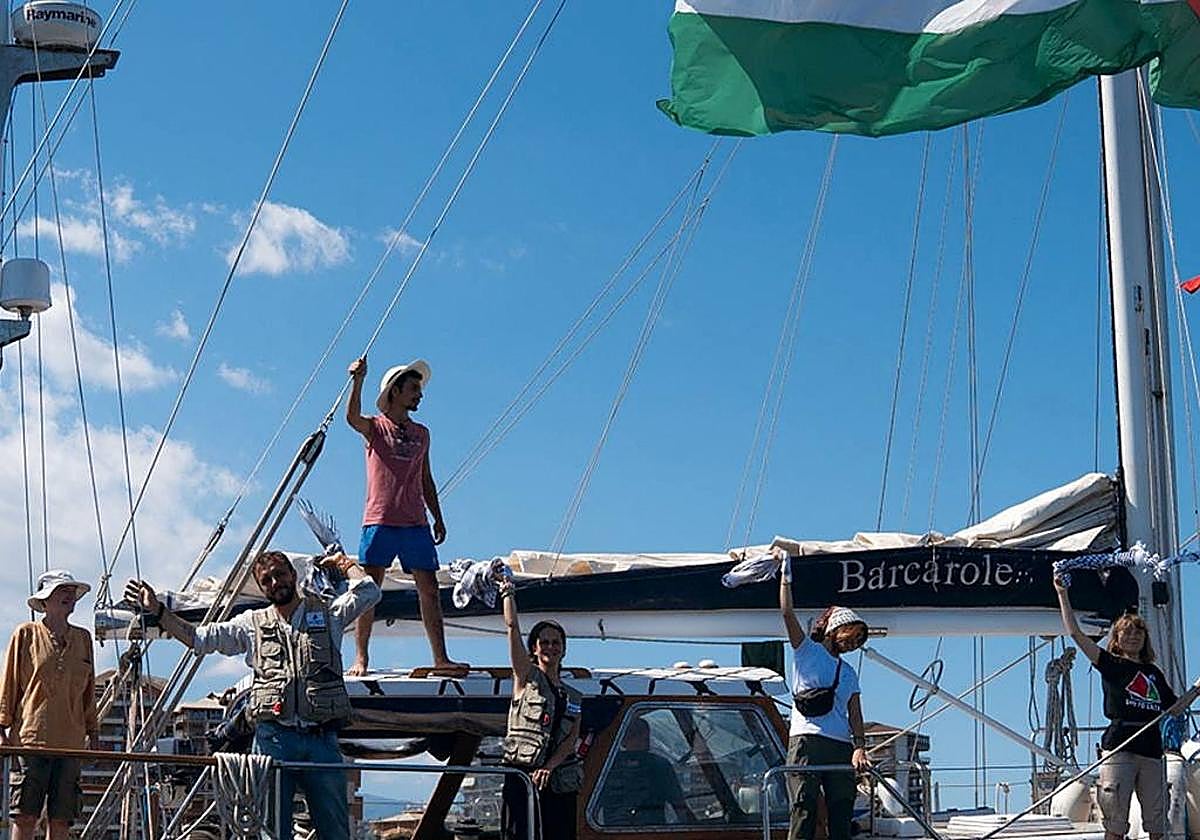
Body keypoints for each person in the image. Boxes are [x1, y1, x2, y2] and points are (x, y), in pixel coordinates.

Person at [125, 550, 380, 840]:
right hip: (274, 740)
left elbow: (369, 591)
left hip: (321, 739)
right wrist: (159, 611)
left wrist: (345, 565)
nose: (275, 582)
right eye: (267, 580)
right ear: (262, 588)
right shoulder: (250, 625)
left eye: (280, 575)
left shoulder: (328, 613)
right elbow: (198, 639)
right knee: (272, 831)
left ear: (293, 576)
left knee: (335, 831)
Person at [345, 356, 467, 676]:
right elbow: (351, 417)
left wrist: (438, 516)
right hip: (380, 519)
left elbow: (426, 477)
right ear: (395, 392)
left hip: (415, 522)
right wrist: (358, 380)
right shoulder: (375, 427)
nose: (419, 395)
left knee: (429, 590)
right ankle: (361, 657)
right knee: (369, 591)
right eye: (413, 389)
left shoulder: (422, 434)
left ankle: (441, 658)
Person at [1054, 575, 1180, 840]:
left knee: (1158, 823)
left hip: (1151, 749)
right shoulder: (1110, 664)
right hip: (1120, 746)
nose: (1133, 636)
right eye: (1127, 632)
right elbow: (1076, 634)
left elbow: (1174, 708)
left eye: (1138, 631)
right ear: (1117, 637)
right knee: (1115, 823)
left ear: (1145, 638)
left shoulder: (1153, 673)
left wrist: (1197, 689)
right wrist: (1062, 594)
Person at [0, 570, 99, 840]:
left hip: (70, 743)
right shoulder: (26, 634)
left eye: (71, 591)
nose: (69, 595)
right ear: (45, 600)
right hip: (31, 739)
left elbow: (88, 691)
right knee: (24, 815)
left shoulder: (83, 639)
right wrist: (2, 725)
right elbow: (9, 682)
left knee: (62, 819)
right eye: (62, 591)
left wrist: (93, 730)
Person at [778, 556, 870, 840]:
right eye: (849, 636)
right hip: (806, 739)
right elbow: (787, 614)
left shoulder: (849, 671)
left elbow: (855, 713)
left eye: (856, 641)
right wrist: (785, 579)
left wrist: (859, 747)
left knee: (842, 807)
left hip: (840, 743)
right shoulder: (806, 650)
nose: (851, 644)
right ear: (834, 630)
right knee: (804, 805)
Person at [498, 576, 582, 840]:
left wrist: (550, 767)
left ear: (563, 649)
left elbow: (571, 739)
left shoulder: (575, 696)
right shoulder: (525, 678)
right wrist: (508, 594)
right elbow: (512, 629)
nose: (550, 647)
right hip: (522, 776)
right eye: (544, 642)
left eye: (556, 642)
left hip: (558, 780)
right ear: (534, 649)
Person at [597, 716, 694, 826]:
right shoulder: (660, 765)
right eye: (636, 734)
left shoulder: (606, 767)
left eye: (642, 734)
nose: (643, 738)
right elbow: (680, 807)